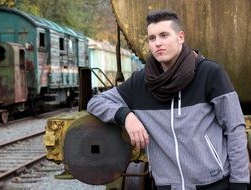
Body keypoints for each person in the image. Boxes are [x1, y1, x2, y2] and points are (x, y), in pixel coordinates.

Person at [87, 10, 250, 190]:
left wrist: (240, 182)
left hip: (213, 183)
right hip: (167, 185)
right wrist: (126, 116)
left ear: (180, 37)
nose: (158, 43)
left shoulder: (210, 74)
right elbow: (95, 102)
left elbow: (235, 128)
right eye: (152, 38)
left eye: (164, 35)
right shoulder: (140, 82)